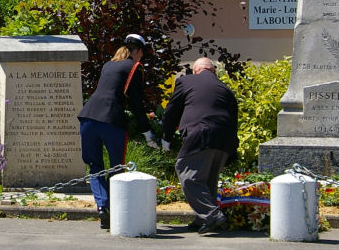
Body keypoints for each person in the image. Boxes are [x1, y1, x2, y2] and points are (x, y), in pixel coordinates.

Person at [76, 34, 152, 229]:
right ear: (139, 52)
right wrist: (147, 131)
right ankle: (116, 212)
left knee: (95, 166)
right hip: (111, 121)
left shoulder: (108, 65)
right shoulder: (134, 67)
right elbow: (136, 102)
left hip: (88, 117)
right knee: (117, 168)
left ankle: (102, 208)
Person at [160, 57, 239, 234]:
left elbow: (172, 110)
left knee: (187, 172)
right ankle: (201, 219)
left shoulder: (186, 81)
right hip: (225, 139)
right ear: (213, 71)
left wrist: (166, 136)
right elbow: (234, 119)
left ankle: (212, 216)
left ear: (196, 70)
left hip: (200, 133)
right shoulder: (225, 89)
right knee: (208, 179)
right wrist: (233, 150)